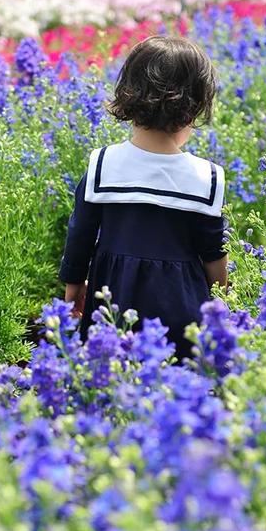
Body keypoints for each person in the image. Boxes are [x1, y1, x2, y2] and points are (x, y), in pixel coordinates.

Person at [59, 35, 228, 359]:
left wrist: (74, 286)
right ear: (193, 110)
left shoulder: (103, 164)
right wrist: (222, 299)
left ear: (128, 97)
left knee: (109, 373)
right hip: (181, 304)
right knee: (178, 379)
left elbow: (79, 234)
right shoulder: (203, 177)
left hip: (114, 296)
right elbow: (213, 252)